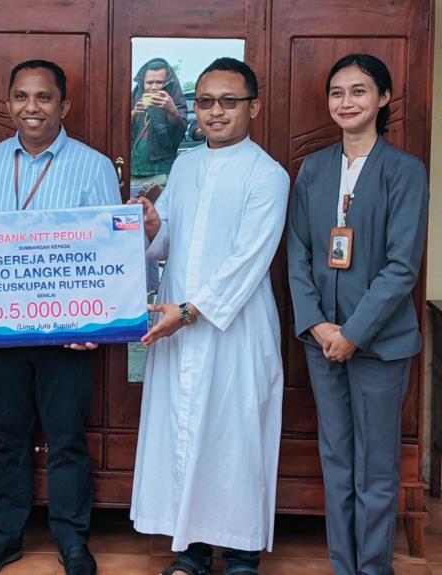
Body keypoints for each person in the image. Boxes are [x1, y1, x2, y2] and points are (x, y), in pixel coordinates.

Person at [0, 59, 121, 575]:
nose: (31, 108)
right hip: (2, 329)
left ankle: (72, 540)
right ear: (9, 104)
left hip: (69, 331)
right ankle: (4, 536)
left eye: (43, 98)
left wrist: (100, 323)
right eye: (21, 97)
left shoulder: (93, 166)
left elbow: (110, 248)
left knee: (67, 436)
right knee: (8, 434)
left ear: (64, 106)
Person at [129, 57, 289, 575]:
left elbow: (249, 261)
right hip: (179, 323)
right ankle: (192, 550)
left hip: (234, 330)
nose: (215, 112)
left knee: (235, 438)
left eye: (229, 101)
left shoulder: (268, 175)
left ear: (253, 107)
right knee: (183, 432)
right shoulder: (187, 163)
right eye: (205, 101)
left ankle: (241, 552)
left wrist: (190, 312)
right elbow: (166, 241)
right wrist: (153, 224)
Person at [287, 53, 428, 575]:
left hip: (380, 344)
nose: (346, 102)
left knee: (376, 466)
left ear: (384, 99)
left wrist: (354, 333)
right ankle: (343, 565)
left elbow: (401, 266)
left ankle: (373, 568)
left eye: (359, 91)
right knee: (337, 460)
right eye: (337, 92)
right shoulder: (314, 169)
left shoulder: (405, 171)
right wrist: (319, 325)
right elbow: (298, 253)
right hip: (321, 341)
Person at [130, 58, 188, 293]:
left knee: (159, 231)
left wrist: (171, 110)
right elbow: (120, 134)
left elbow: (180, 133)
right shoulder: (135, 98)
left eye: (159, 83)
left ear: (168, 83)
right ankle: (143, 287)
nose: (153, 88)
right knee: (135, 233)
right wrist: (133, 115)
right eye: (149, 83)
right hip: (133, 175)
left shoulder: (174, 103)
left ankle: (160, 290)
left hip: (162, 176)